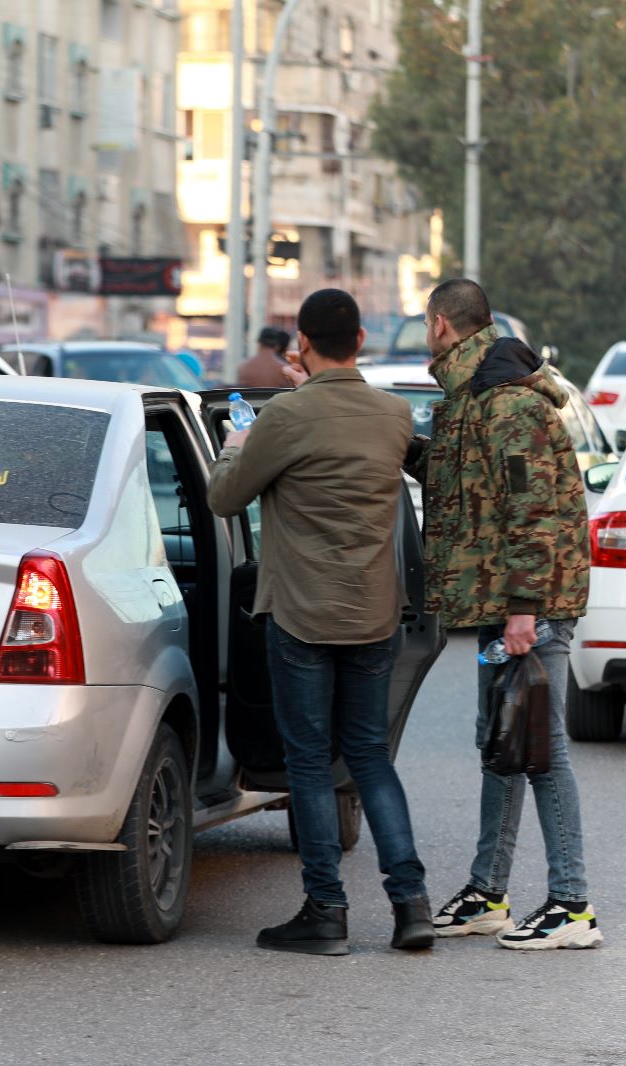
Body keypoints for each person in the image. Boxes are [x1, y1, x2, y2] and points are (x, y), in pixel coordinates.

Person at [207, 288, 433, 956]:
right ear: (360, 339)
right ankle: (411, 906)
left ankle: (326, 912)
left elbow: (224, 498)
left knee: (308, 762)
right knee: (368, 757)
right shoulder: (394, 415)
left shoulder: (283, 417)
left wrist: (236, 443)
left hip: (301, 613)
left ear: (300, 344)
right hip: (373, 614)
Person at [410, 278, 600, 950]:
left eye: (426, 325)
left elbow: (534, 512)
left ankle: (571, 905)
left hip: (529, 607)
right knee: (502, 742)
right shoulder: (475, 394)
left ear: (441, 324)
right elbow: (461, 479)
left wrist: (523, 611)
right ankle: (486, 894)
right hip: (505, 604)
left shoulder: (507, 402)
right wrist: (399, 444)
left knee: (540, 749)